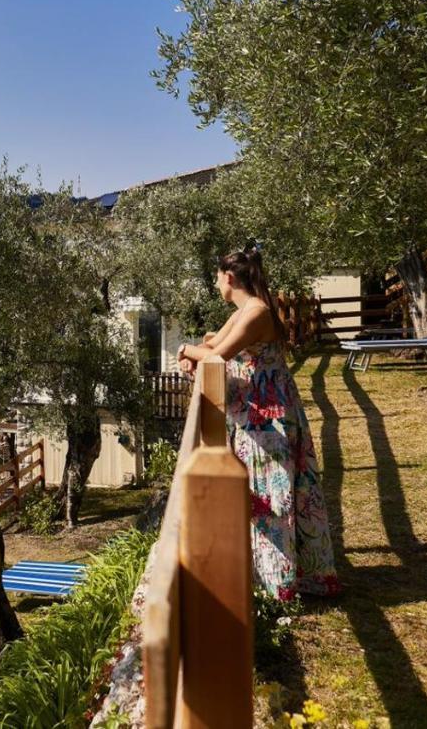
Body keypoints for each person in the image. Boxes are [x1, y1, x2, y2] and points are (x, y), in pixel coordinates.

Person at [177, 245, 340, 600]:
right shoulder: (244, 311)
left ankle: (276, 587)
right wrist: (196, 350)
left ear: (229, 277)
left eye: (217, 277)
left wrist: (185, 352)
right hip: (259, 416)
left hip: (269, 421)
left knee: (271, 496)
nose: (216, 283)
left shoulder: (256, 313)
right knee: (264, 494)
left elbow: (216, 355)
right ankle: (273, 578)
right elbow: (213, 342)